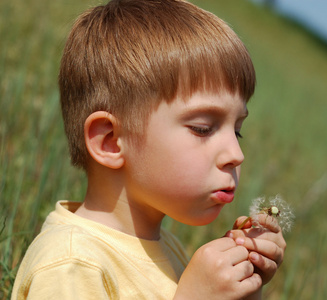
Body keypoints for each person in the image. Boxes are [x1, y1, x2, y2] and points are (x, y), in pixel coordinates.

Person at [12, 0, 286, 299]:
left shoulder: (169, 251)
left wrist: (245, 285)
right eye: (203, 128)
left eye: (237, 132)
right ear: (111, 141)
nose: (236, 154)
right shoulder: (72, 264)